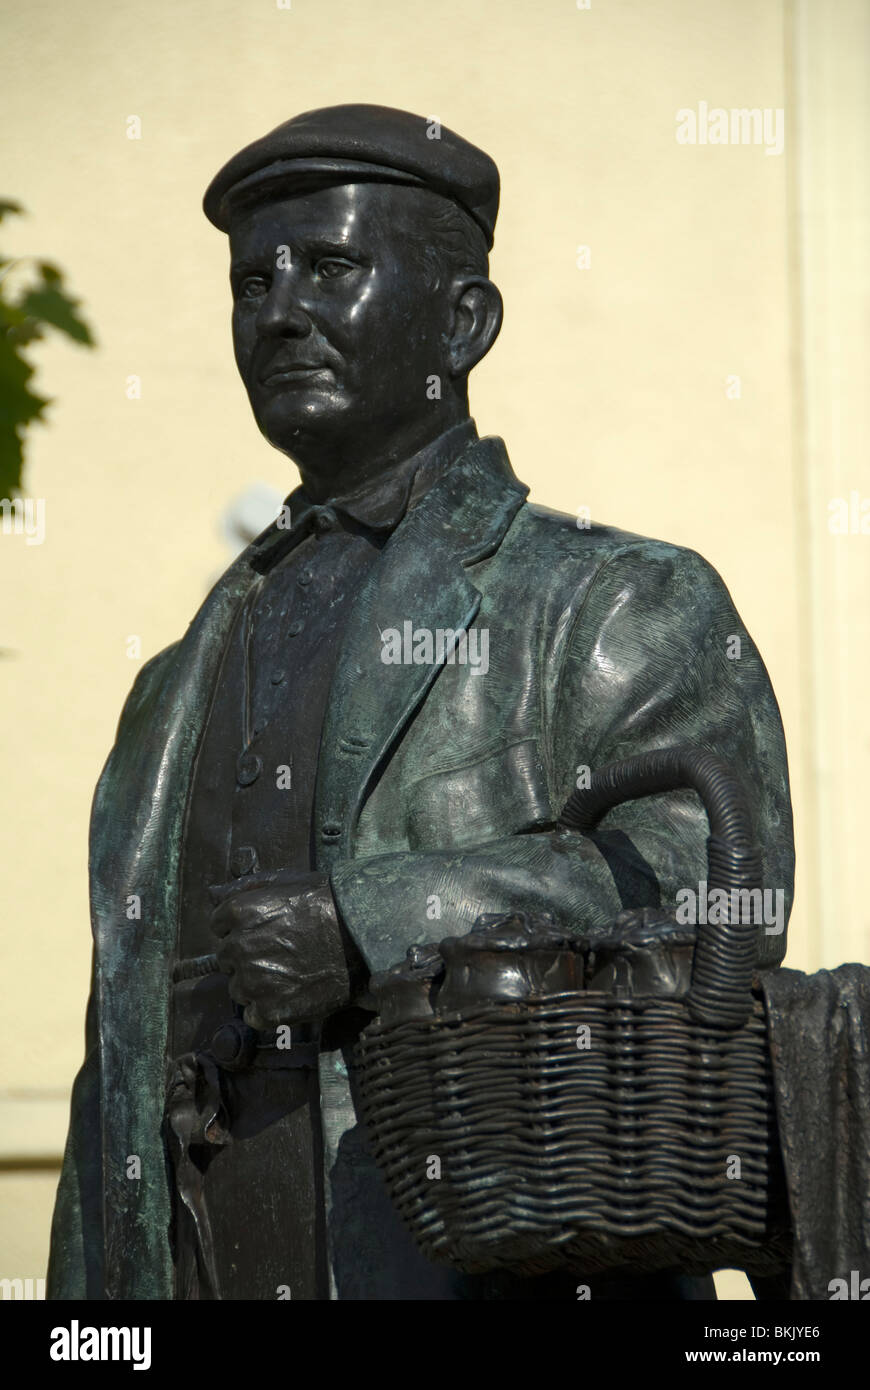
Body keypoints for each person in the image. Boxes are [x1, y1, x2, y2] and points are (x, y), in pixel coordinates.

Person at [48, 104, 794, 1301]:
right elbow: (115, 1070)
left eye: (331, 267)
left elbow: (717, 895)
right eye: (253, 280)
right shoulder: (171, 682)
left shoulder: (611, 598)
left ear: (466, 321)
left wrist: (370, 917)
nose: (279, 308)